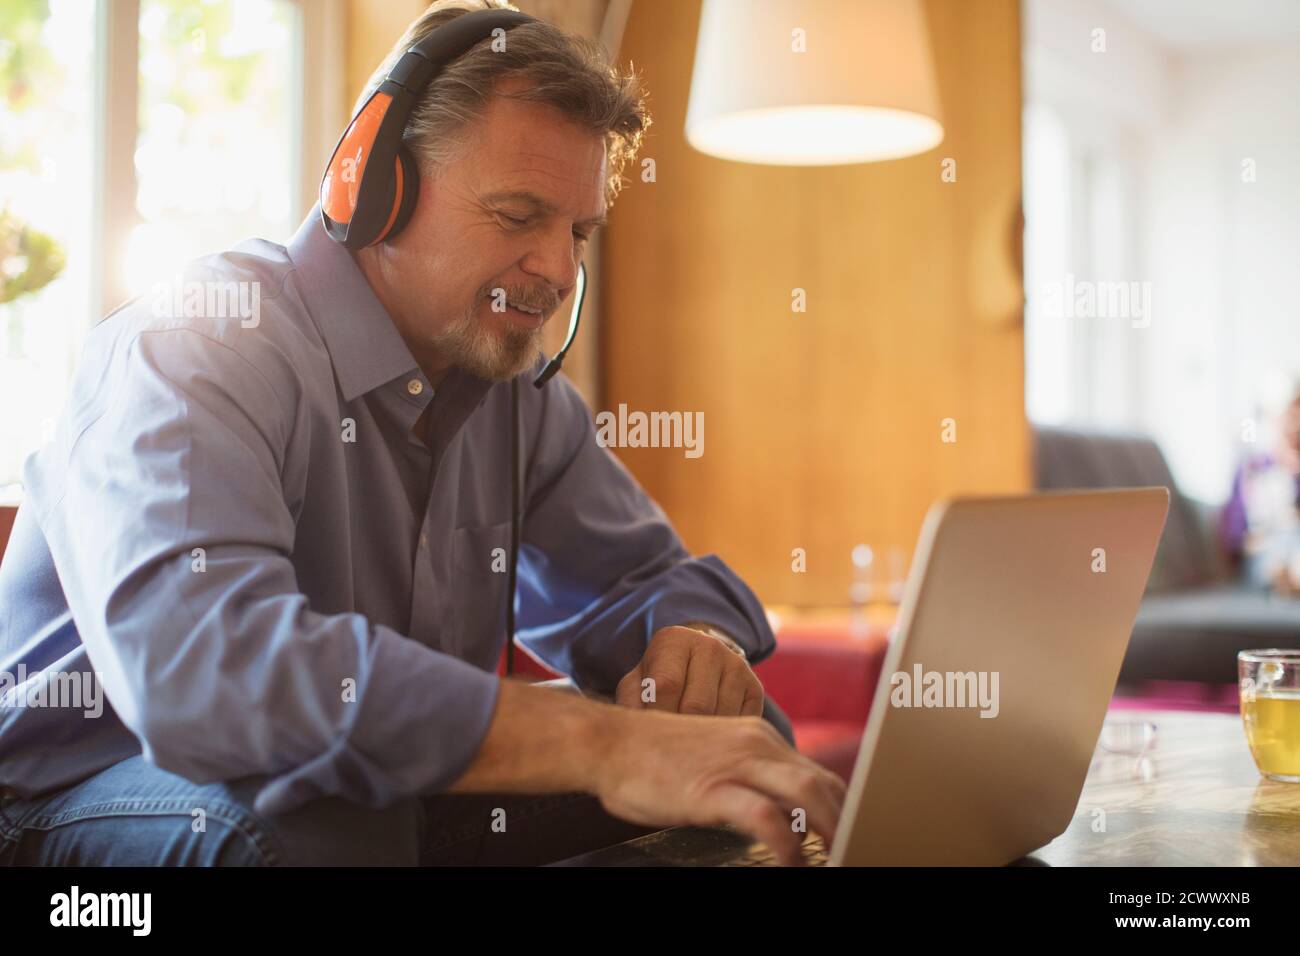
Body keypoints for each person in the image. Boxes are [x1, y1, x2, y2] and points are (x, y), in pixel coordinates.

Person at [0, 0, 845, 867]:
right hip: (71, 798)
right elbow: (205, 674)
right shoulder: (197, 344)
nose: (558, 270)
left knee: (733, 754)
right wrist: (594, 742)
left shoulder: (512, 394)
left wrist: (693, 647)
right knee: (319, 825)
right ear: (372, 187)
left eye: (578, 231)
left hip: (375, 798)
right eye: (519, 217)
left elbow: (643, 581)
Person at [1221, 382, 1300, 595]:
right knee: (1278, 551)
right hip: (1264, 552)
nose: (1296, 426)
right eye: (1291, 416)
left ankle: (1292, 576)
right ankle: (1286, 577)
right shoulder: (1252, 468)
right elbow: (1235, 537)